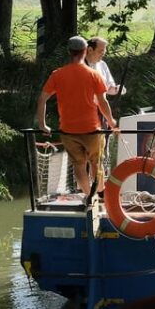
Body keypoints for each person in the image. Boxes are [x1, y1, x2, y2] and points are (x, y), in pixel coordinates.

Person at [36, 35, 117, 196]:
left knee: (79, 165)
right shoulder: (94, 75)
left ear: (69, 52)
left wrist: (42, 124)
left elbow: (42, 99)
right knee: (97, 163)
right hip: (92, 129)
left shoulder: (58, 74)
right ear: (86, 51)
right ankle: (100, 193)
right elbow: (103, 102)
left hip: (68, 130)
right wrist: (111, 121)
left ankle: (88, 196)